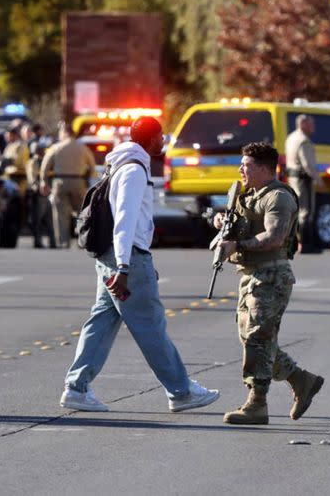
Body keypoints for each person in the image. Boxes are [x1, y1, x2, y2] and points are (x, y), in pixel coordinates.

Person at [61, 117, 219, 413]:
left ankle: (76, 388)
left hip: (112, 256)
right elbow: (125, 220)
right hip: (125, 259)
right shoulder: (134, 170)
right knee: (151, 325)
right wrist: (124, 267)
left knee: (102, 321)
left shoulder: (121, 164)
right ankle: (181, 391)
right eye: (161, 137)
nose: (163, 142)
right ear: (151, 139)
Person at [213, 142, 324, 425]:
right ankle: (301, 380)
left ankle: (257, 403)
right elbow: (243, 223)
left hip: (271, 275)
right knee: (253, 337)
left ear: (264, 169)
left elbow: (274, 237)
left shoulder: (278, 198)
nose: (241, 169)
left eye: (247, 165)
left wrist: (238, 244)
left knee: (257, 338)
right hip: (250, 274)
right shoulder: (248, 195)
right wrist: (222, 222)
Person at [39, 122, 96, 248]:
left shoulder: (56, 147)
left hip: (60, 182)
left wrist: (43, 181)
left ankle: (63, 243)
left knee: (60, 214)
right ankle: (82, 240)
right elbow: (92, 166)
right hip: (78, 182)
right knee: (82, 213)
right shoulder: (82, 148)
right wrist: (92, 179)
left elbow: (45, 165)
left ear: (64, 132)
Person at [284, 114, 321, 253]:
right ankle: (307, 245)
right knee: (307, 211)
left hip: (293, 179)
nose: (313, 127)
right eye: (311, 124)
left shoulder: (291, 138)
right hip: (303, 180)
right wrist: (319, 180)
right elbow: (308, 164)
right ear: (303, 124)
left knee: (297, 211)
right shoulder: (303, 141)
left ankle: (295, 243)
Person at [26, 124, 56, 249]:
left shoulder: (45, 162)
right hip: (39, 193)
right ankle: (38, 241)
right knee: (38, 219)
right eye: (39, 150)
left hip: (48, 191)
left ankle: (53, 242)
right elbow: (32, 179)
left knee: (50, 219)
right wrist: (38, 187)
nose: (41, 152)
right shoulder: (33, 163)